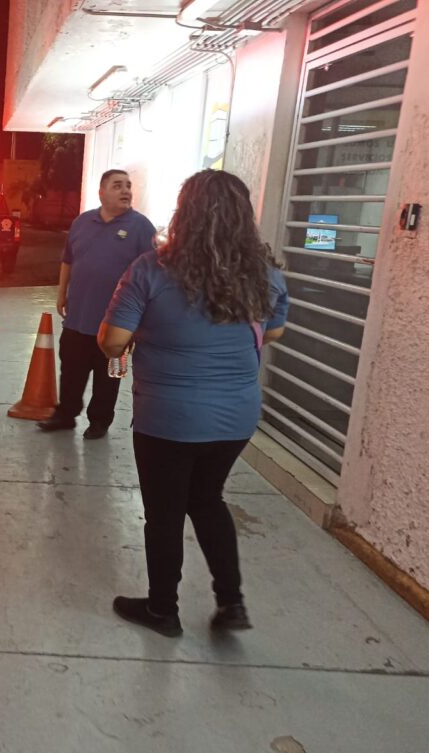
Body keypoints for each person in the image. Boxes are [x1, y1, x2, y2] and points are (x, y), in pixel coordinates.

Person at [98, 169, 289, 637]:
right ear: (245, 217)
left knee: (164, 513)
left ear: (185, 213)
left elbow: (112, 342)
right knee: (207, 500)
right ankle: (231, 602)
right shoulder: (266, 273)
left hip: (168, 417)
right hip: (236, 417)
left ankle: (163, 609)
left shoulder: (150, 269)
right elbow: (275, 330)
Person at [38, 169, 156, 440]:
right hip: (78, 317)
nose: (126, 191)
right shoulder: (82, 223)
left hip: (117, 323)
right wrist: (61, 293)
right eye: (117, 186)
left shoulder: (141, 227)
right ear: (101, 193)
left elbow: (152, 274)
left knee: (108, 377)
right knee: (70, 369)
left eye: (128, 186)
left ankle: (100, 421)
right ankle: (65, 415)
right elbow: (68, 260)